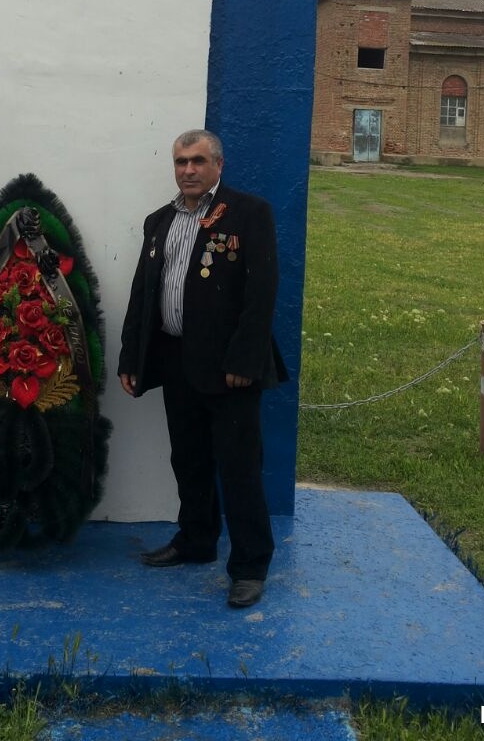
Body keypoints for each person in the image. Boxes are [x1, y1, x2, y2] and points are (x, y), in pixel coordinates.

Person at [118, 129, 286, 609]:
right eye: (180, 162)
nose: (188, 170)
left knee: (239, 470)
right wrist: (132, 356)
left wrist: (245, 360)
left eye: (197, 161)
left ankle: (250, 565)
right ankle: (196, 539)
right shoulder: (159, 221)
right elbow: (143, 294)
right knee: (188, 460)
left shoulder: (249, 213)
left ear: (218, 165)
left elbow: (261, 294)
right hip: (176, 362)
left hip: (230, 369)